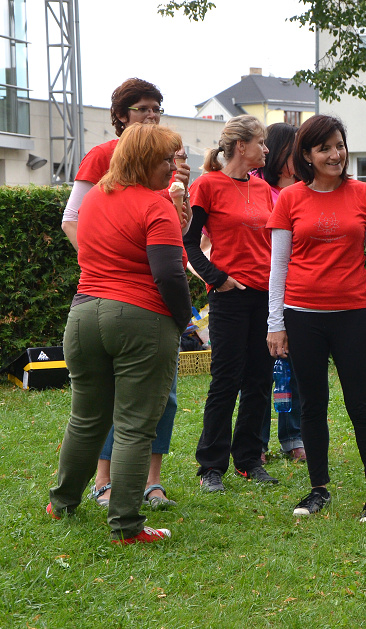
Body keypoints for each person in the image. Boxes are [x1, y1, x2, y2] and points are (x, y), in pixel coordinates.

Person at [47, 123, 192, 544]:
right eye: (165, 159)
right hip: (139, 318)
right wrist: (182, 320)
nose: (172, 168)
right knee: (133, 426)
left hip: (83, 316)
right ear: (144, 159)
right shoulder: (155, 205)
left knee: (85, 418)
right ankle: (127, 526)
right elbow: (168, 273)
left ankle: (62, 502)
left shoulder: (93, 198)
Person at [265, 114, 366, 521]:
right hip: (302, 317)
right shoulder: (289, 199)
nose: (335, 154)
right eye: (325, 148)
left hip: (352, 316)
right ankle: (318, 489)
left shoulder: (365, 195)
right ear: (307, 155)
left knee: (361, 404)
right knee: (312, 405)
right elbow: (278, 267)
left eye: (339, 145)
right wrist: (275, 323)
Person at [186, 114, 278, 492]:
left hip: (266, 297)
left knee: (259, 380)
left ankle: (248, 460)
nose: (267, 149)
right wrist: (218, 278)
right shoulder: (207, 185)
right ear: (241, 146)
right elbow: (189, 243)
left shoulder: (262, 189)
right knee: (226, 379)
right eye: (261, 142)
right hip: (230, 298)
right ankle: (211, 466)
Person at [251, 122, 306, 463]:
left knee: (295, 370)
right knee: (258, 373)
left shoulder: (305, 191)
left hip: (297, 291)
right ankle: (255, 441)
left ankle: (293, 436)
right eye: (294, 150)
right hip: (260, 289)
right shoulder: (255, 189)